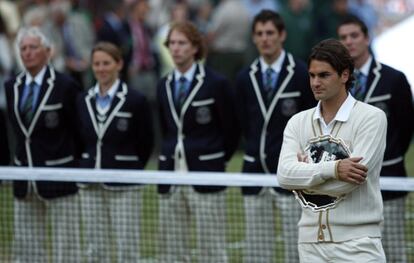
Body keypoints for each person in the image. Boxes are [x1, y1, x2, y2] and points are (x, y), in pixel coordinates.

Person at [277, 39, 387, 262]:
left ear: (344, 75)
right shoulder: (297, 122)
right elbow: (284, 175)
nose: (315, 82)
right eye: (312, 75)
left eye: (324, 75)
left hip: (359, 245)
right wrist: (334, 168)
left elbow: (347, 182)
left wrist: (306, 175)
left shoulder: (371, 118)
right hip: (309, 246)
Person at [234, 9, 314, 263]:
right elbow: (242, 123)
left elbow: (311, 121)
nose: (265, 39)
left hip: (291, 172)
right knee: (257, 248)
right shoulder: (245, 77)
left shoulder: (301, 73)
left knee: (296, 244)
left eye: (270, 33)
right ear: (254, 38)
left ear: (282, 35)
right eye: (259, 34)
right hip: (254, 169)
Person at [156, 20, 239, 263]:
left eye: (182, 43)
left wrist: (214, 157)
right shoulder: (164, 85)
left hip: (206, 171)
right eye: (172, 43)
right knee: (171, 247)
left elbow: (231, 129)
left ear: (195, 47)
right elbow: (166, 129)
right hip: (170, 174)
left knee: (211, 246)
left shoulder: (216, 83)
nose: (176, 48)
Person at [337, 15, 414, 262]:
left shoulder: (394, 79)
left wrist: (386, 157)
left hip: (388, 179)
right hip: (349, 183)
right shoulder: (336, 83)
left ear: (367, 38)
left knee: (393, 249)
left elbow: (405, 128)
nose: (349, 42)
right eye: (343, 37)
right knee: (355, 251)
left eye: (354, 36)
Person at [4, 26, 82, 263]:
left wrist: (74, 168)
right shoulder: (12, 87)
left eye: (33, 48)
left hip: (59, 175)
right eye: (23, 48)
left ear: (48, 52)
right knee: (26, 246)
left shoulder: (66, 85)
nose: (27, 53)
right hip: (24, 177)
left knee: (66, 246)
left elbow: (78, 130)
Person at [76, 41, 153, 262]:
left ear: (118, 65)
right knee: (94, 248)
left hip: (124, 182)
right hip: (90, 181)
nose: (101, 68)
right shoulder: (83, 100)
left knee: (127, 247)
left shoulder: (135, 100)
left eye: (106, 63)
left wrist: (128, 167)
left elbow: (145, 142)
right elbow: (80, 139)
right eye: (96, 64)